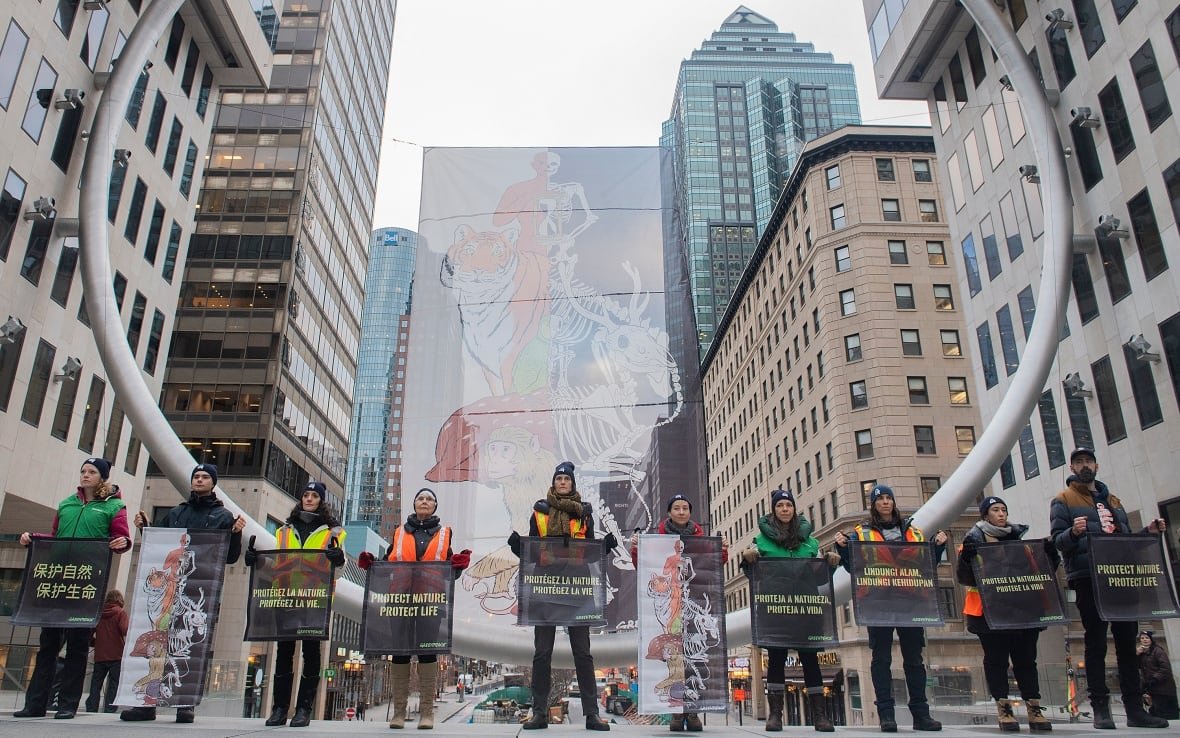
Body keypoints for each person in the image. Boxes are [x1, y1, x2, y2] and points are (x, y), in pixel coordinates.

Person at [1051, 447, 1169, 729]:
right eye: (1078, 462)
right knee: (1096, 642)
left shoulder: (1113, 501)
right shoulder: (1063, 500)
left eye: (1088, 461)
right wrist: (1073, 532)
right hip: (1088, 577)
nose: (1084, 466)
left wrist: (1147, 534)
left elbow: (1125, 542)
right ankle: (1100, 707)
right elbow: (1057, 541)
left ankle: (1134, 709)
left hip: (1119, 578)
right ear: (1071, 468)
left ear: (1097, 465)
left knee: (1128, 645)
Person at [121, 462, 245, 723]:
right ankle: (148, 702)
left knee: (189, 646)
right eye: (196, 476)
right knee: (158, 644)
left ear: (213, 483)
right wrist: (146, 527)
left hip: (198, 594)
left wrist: (235, 534)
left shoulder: (224, 517)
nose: (199, 480)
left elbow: (230, 557)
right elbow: (159, 544)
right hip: (169, 592)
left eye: (204, 477)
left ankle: (185, 703)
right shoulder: (177, 513)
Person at [14, 458, 132, 720]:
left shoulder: (114, 506)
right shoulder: (66, 504)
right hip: (59, 581)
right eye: (83, 471)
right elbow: (55, 537)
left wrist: (122, 542)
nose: (85, 476)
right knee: (48, 644)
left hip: (87, 582)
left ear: (102, 477)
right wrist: (32, 538)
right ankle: (35, 703)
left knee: (78, 645)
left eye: (92, 472)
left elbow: (122, 538)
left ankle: (68, 704)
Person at [507, 461, 616, 731]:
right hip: (545, 587)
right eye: (558, 478)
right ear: (553, 483)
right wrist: (519, 548)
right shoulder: (539, 512)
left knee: (583, 652)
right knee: (542, 653)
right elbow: (533, 550)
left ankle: (592, 714)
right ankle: (539, 713)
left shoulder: (585, 515)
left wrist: (606, 549)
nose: (563, 482)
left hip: (577, 587)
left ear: (573, 484)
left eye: (566, 478)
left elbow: (590, 552)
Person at [835, 484, 947, 733]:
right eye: (880, 499)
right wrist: (842, 547)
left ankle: (921, 714)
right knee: (881, 659)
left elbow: (927, 562)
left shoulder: (914, 532)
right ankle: (886, 714)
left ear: (894, 503)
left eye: (889, 498)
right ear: (873, 505)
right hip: (879, 603)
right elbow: (853, 566)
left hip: (910, 602)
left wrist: (938, 546)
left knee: (914, 660)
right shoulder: (860, 533)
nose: (885, 502)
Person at [357, 487, 470, 730]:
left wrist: (458, 566)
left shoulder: (444, 535)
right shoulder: (399, 533)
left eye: (429, 499)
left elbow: (448, 571)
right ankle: (398, 713)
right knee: (400, 652)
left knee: (428, 652)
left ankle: (427, 713)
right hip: (401, 602)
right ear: (414, 503)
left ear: (435, 506)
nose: (425, 501)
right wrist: (372, 565)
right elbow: (388, 564)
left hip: (430, 602)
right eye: (420, 498)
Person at [247, 481, 346, 728]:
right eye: (306, 494)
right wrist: (256, 561)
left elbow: (340, 570)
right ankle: (280, 708)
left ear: (321, 501)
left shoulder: (333, 533)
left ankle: (304, 709)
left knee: (311, 654)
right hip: (287, 597)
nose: (309, 498)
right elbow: (277, 563)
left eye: (314, 495)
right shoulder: (284, 531)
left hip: (315, 599)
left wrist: (339, 559)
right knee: (284, 653)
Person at [629, 493, 728, 732]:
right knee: (675, 662)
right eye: (677, 508)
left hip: (693, 605)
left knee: (693, 660)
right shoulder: (658, 539)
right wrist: (636, 549)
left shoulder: (701, 540)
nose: (681, 511)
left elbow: (711, 565)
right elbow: (645, 566)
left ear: (690, 512)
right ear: (669, 512)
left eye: (685, 507)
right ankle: (676, 713)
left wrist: (722, 551)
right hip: (671, 611)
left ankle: (692, 713)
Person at [740, 489, 837, 733]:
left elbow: (819, 579)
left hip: (806, 609)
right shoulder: (760, 542)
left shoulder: (812, 542)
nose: (784, 509)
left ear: (794, 509)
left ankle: (820, 716)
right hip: (776, 610)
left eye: (788, 505)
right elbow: (753, 576)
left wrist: (830, 566)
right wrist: (747, 561)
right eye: (780, 505)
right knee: (775, 660)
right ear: (774, 510)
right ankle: (775, 715)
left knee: (810, 659)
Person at [957, 496, 1052, 732]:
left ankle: (1034, 707)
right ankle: (1004, 709)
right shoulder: (973, 541)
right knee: (997, 660)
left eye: (1003, 510)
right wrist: (966, 559)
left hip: (1021, 610)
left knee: (1026, 660)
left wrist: (1051, 555)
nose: (1001, 514)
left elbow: (1037, 572)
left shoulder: (1019, 539)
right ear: (985, 515)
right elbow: (965, 578)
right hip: (988, 613)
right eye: (995, 510)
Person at [86, 589, 129, 713]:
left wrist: (97, 643)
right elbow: (125, 630)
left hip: (100, 655)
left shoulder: (98, 614)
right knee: (114, 684)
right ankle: (110, 708)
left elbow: (90, 635)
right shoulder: (121, 613)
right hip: (116, 654)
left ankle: (91, 707)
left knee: (96, 684)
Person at [1137, 631, 1178, 720]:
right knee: (1155, 712)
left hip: (1163, 687)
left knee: (1166, 713)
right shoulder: (1142, 653)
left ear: (1151, 639)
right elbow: (1136, 667)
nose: (1144, 640)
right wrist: (1136, 655)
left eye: (1147, 638)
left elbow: (1165, 668)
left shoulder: (1158, 651)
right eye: (1142, 638)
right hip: (1152, 688)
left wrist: (1155, 679)